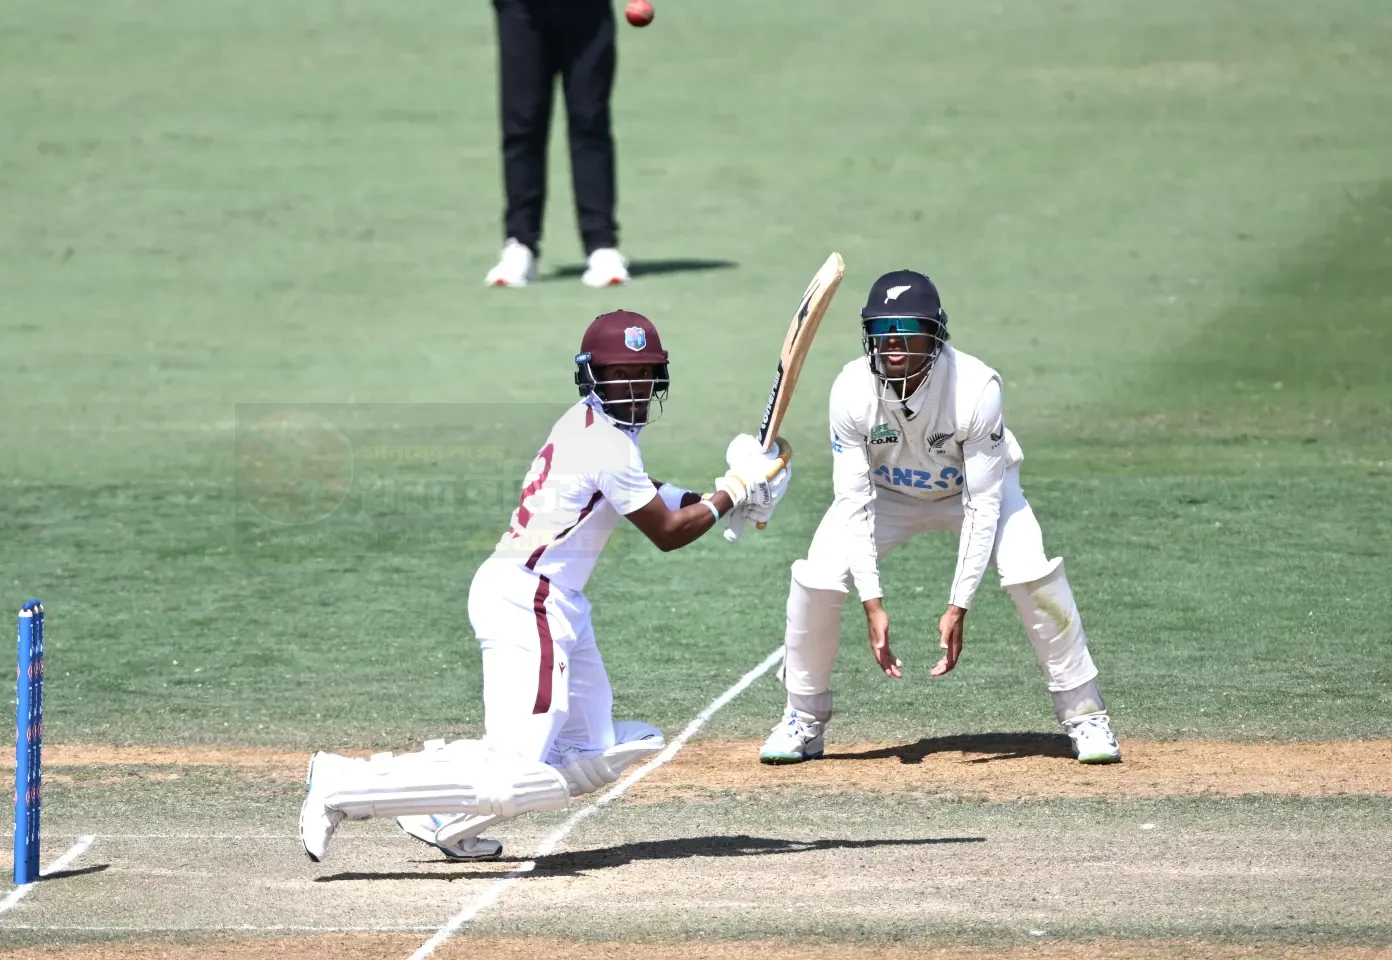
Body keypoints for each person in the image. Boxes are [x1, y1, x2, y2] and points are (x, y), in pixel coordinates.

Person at [300, 309, 791, 862]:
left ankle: (446, 819)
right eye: (620, 375)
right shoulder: (606, 443)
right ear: (593, 377)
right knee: (518, 770)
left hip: (556, 603)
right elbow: (668, 533)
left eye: (644, 374)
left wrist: (728, 498)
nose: (634, 388)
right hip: (526, 600)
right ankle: (343, 783)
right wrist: (732, 491)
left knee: (595, 750)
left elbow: (646, 495)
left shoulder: (596, 429)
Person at [757, 271, 1122, 765]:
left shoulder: (976, 388)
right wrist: (872, 601)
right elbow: (853, 503)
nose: (894, 343)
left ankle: (1085, 716)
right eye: (882, 330)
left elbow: (983, 504)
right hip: (886, 496)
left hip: (969, 492)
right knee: (818, 575)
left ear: (935, 333)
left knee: (1030, 572)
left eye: (909, 328)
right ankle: (804, 717)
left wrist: (958, 606)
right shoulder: (850, 389)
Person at [483, 0, 630, 288]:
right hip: (522, 9)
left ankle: (601, 246)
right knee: (522, 124)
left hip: (588, 11)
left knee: (590, 122)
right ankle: (520, 245)